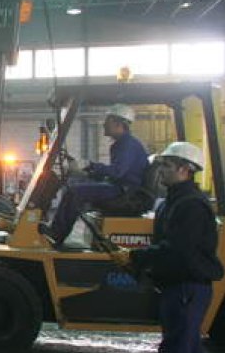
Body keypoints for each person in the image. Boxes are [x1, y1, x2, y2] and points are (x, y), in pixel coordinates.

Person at [110, 141, 224, 353]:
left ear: (186, 170)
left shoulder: (190, 206)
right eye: (161, 165)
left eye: (168, 166)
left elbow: (177, 251)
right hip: (181, 287)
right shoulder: (172, 201)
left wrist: (136, 256)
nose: (162, 171)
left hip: (186, 288)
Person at [43, 104, 150, 246]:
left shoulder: (128, 144)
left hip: (126, 191)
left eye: (108, 121)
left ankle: (56, 234)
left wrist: (90, 165)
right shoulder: (122, 144)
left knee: (75, 192)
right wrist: (87, 171)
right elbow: (115, 173)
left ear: (118, 123)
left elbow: (117, 172)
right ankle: (56, 231)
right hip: (121, 187)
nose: (104, 125)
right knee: (75, 186)